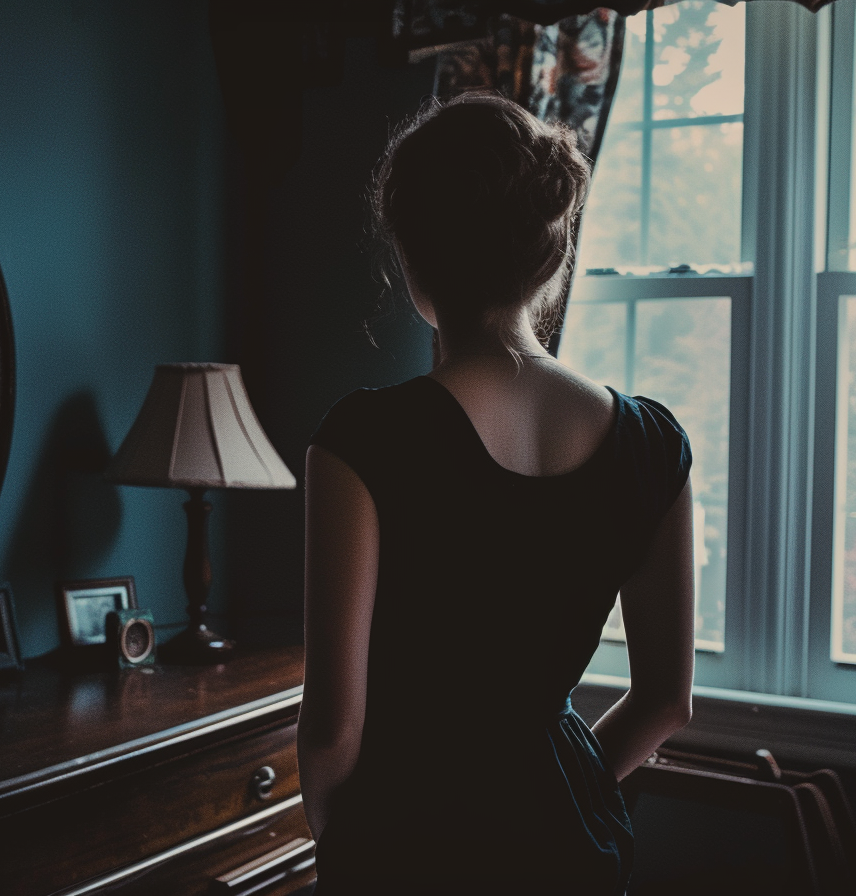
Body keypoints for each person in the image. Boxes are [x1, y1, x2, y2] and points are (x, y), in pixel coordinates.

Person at [297, 91, 697, 893]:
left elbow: (335, 729)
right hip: (573, 850)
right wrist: (566, 789)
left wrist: (346, 844)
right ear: (550, 255)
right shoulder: (655, 445)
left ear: (413, 261)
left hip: (406, 842)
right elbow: (666, 701)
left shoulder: (364, 440)